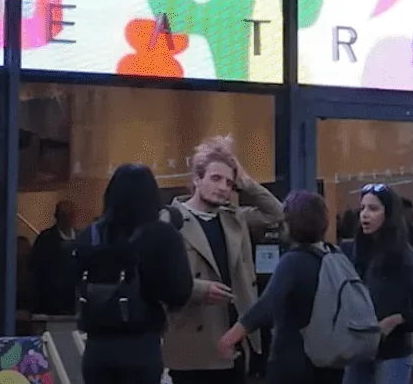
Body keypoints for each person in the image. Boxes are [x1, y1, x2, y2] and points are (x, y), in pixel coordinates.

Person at [166, 137, 287, 384]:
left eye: (229, 182)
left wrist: (246, 183)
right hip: (192, 341)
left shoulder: (235, 219)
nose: (223, 187)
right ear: (197, 179)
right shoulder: (171, 221)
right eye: (215, 178)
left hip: (234, 341)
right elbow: (159, 277)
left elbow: (278, 213)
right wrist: (199, 289)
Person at [78, 164, 196, 384]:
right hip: (141, 346)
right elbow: (179, 292)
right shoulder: (162, 234)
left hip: (96, 349)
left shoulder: (90, 235)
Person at [220, 192, 344, 384]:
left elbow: (267, 305)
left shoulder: (293, 261)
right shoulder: (334, 255)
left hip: (295, 360)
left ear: (291, 224)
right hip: (331, 359)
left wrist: (231, 336)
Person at [344, 183, 413, 384]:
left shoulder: (405, 257)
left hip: (392, 354)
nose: (365, 215)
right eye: (362, 208)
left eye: (373, 209)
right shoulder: (352, 251)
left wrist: (398, 319)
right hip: (357, 351)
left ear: (388, 214)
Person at [31, 200, 83, 316]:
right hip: (52, 300)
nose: (67, 219)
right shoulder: (45, 239)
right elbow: (39, 269)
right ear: (56, 217)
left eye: (70, 215)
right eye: (63, 215)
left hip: (75, 297)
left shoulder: (82, 237)